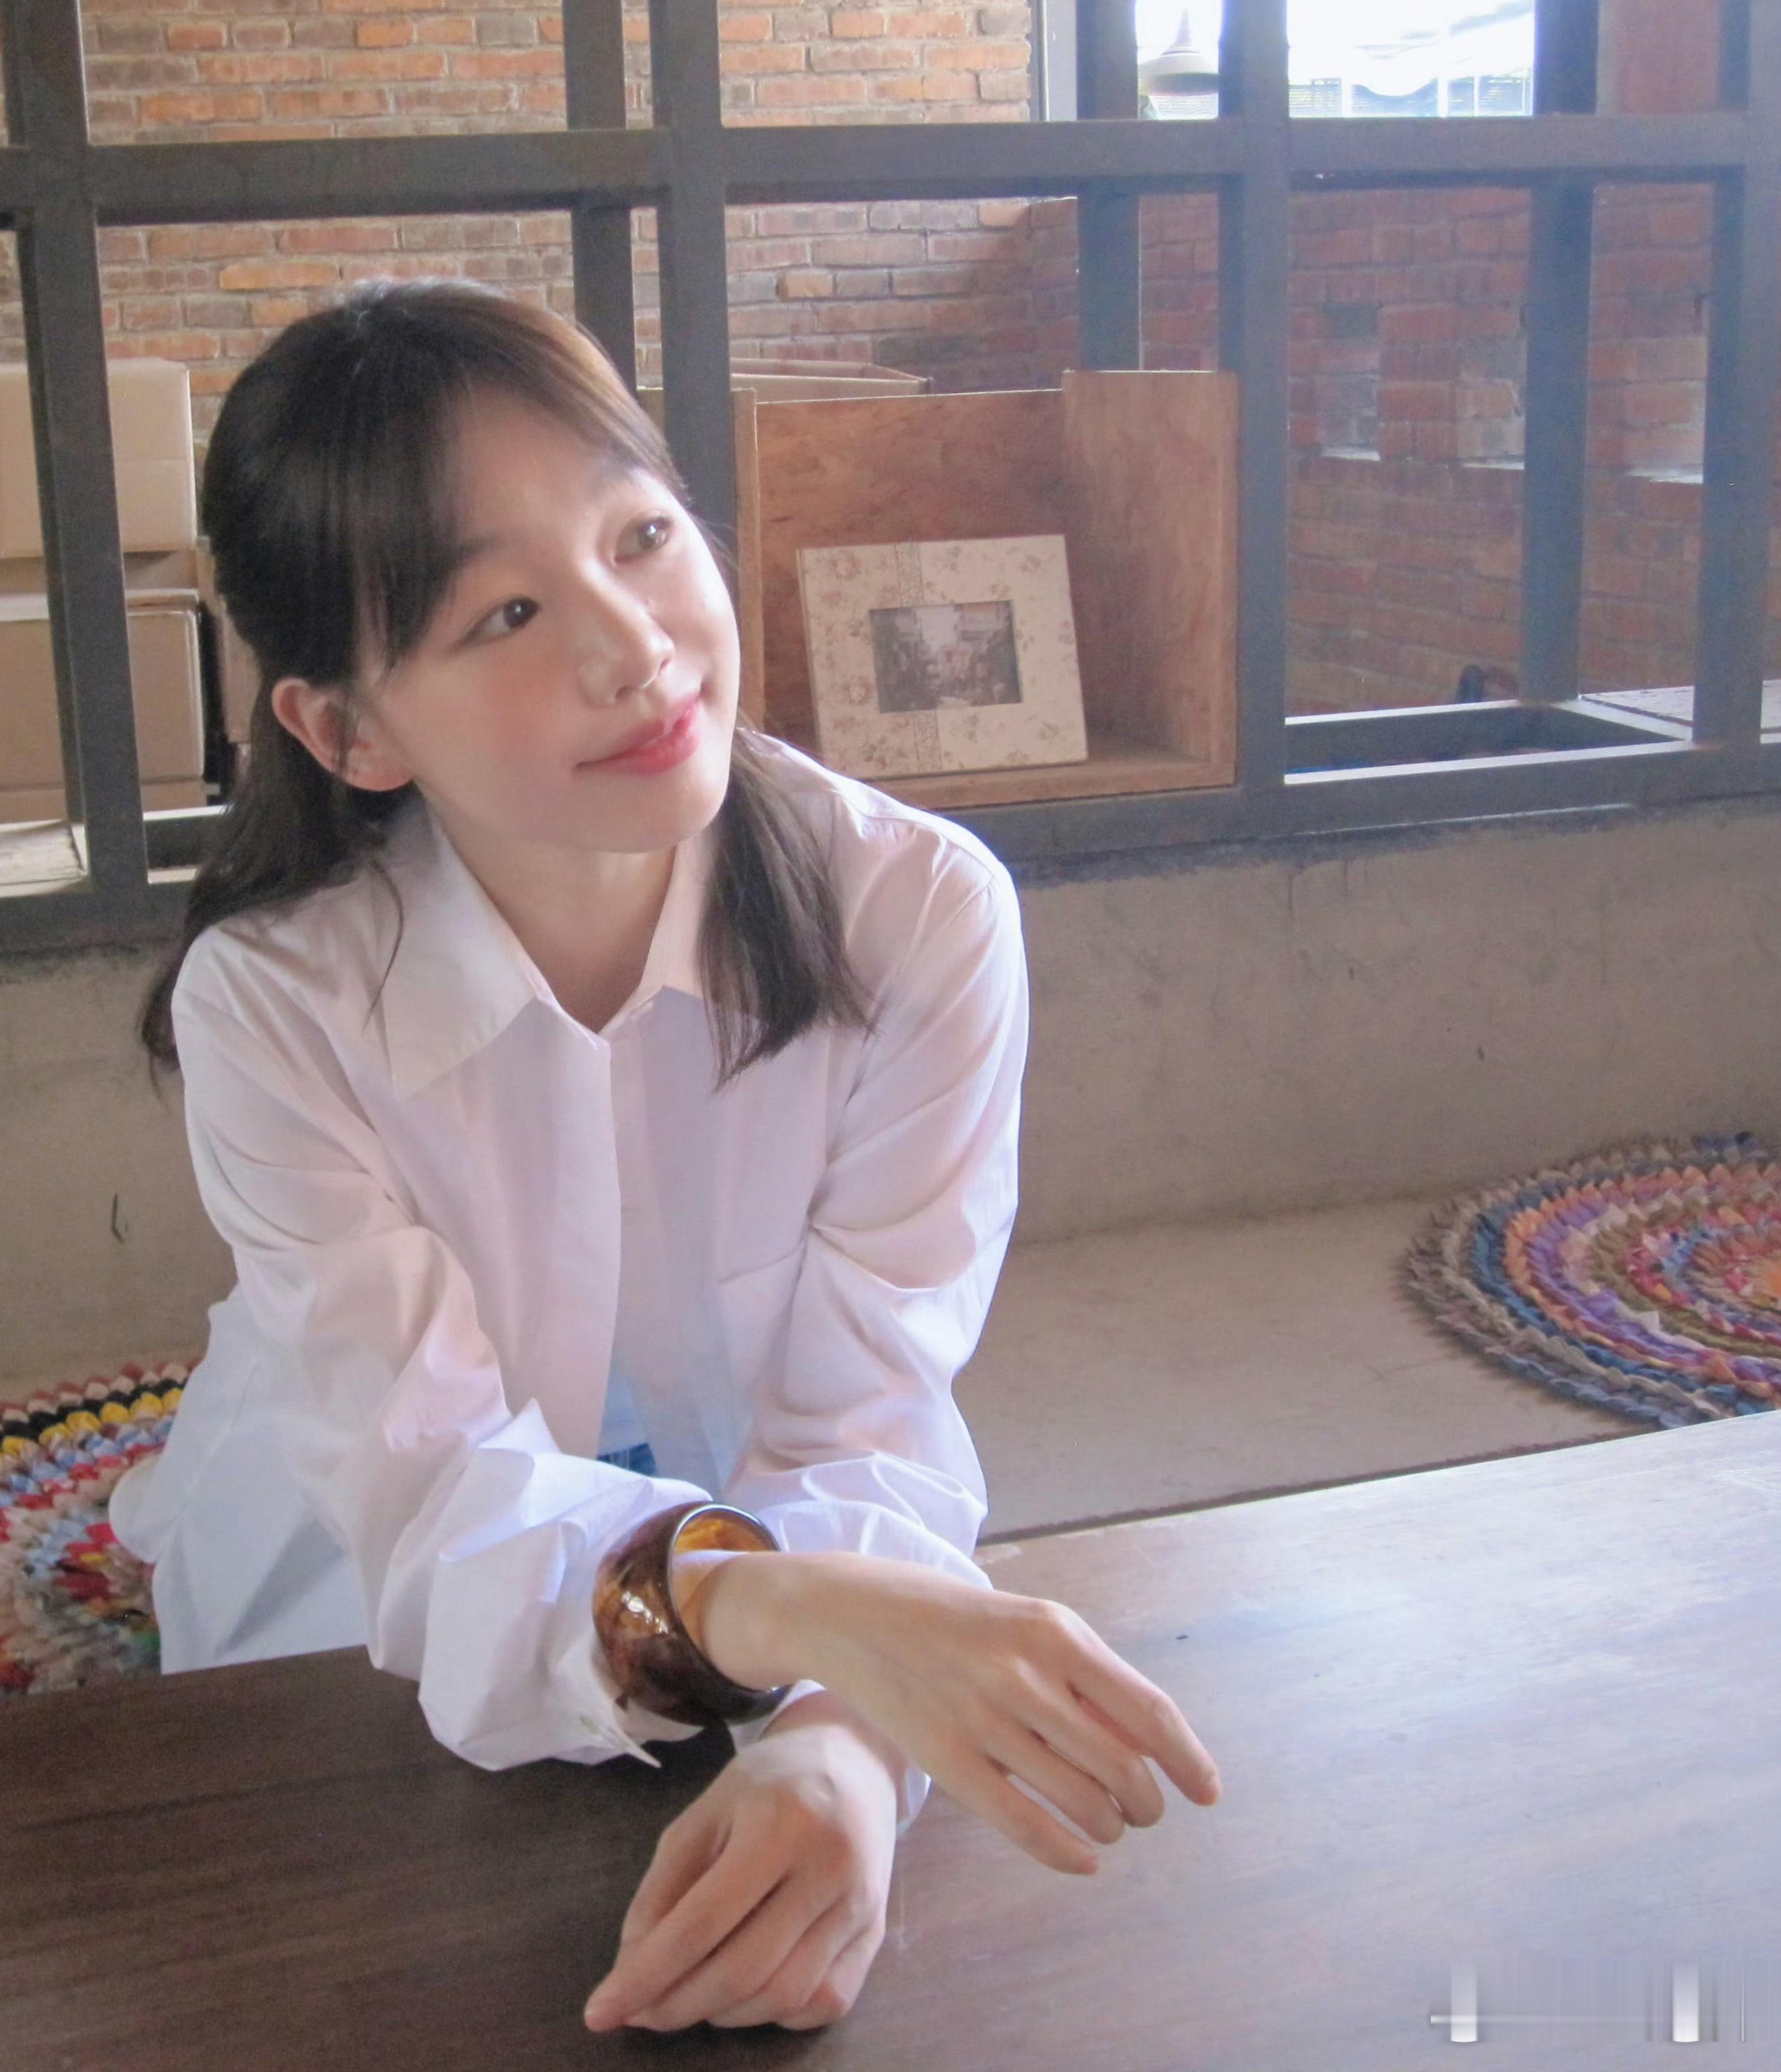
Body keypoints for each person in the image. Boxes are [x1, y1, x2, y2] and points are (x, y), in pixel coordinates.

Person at [112, 277, 1220, 2035]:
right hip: (361, 1616)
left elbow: (867, 1412)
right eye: (503, 611)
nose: (636, 645)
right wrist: (784, 1618)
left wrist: (838, 1746)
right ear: (345, 730)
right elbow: (434, 1503)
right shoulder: (281, 1006)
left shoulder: (913, 915)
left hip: (794, 1566)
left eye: (640, 534)